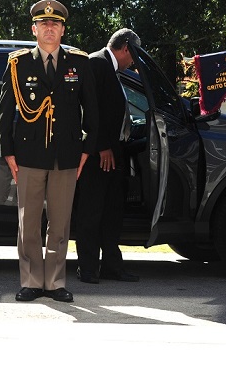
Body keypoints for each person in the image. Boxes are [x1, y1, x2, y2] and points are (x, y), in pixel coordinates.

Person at [0, 0, 98, 303]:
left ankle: (54, 282)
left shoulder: (79, 62)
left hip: (66, 154)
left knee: (60, 222)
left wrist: (87, 149)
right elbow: (5, 110)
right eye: (44, 24)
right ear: (34, 29)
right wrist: (8, 151)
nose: (49, 28)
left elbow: (91, 109)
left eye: (55, 24)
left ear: (63, 30)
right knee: (28, 222)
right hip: (28, 154)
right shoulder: (18, 63)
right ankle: (30, 281)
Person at [74, 28, 141, 284]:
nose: (133, 61)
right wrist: (101, 145)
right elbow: (88, 108)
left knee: (112, 212)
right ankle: (88, 268)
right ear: (126, 47)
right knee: (91, 211)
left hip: (114, 153)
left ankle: (112, 266)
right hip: (96, 155)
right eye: (133, 55)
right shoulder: (96, 63)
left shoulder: (113, 71)